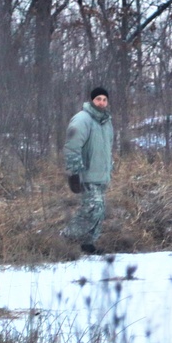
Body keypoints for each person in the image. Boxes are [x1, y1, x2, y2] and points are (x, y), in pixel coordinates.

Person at [61, 87, 114, 254]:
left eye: (104, 100)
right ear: (92, 100)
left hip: (101, 174)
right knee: (93, 208)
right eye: (98, 99)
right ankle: (63, 239)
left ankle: (87, 244)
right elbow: (72, 146)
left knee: (98, 211)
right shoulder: (82, 119)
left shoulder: (106, 121)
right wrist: (74, 172)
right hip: (86, 174)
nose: (102, 102)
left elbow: (107, 147)